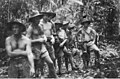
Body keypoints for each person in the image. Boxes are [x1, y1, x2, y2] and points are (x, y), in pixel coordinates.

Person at [26, 11, 57, 78]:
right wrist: (37, 40)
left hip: (42, 47)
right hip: (34, 49)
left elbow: (42, 34)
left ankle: (54, 76)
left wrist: (45, 38)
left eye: (38, 18)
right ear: (33, 19)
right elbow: (27, 41)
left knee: (51, 63)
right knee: (37, 67)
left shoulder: (39, 26)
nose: (38, 20)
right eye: (36, 19)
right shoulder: (30, 28)